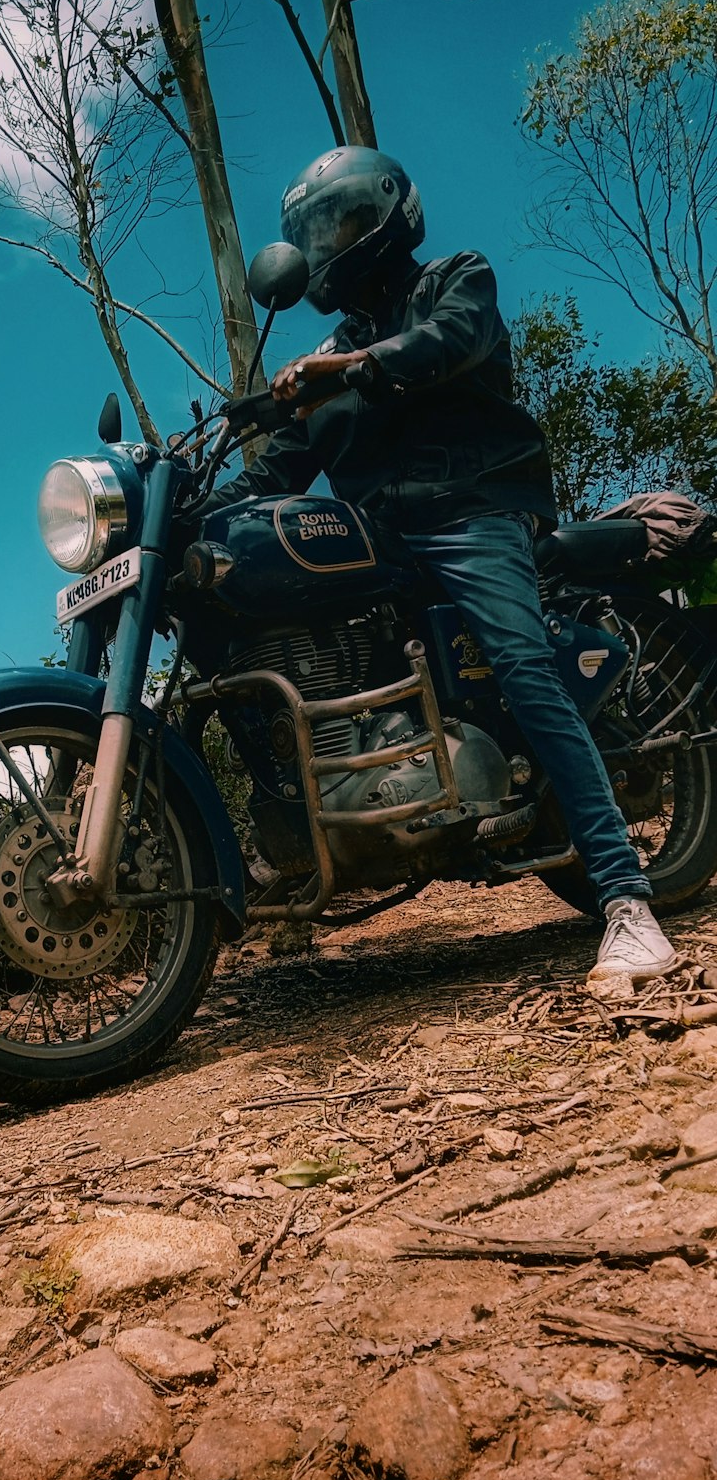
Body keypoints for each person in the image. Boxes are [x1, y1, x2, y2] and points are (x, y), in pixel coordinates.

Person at [211, 145, 678, 981]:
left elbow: (444, 345)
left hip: (473, 510)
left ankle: (624, 900)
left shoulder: (456, 280)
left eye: (342, 223)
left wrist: (347, 368)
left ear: (390, 217)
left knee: (523, 665)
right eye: (314, 234)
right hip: (382, 537)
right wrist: (176, 512)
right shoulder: (322, 361)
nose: (327, 246)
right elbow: (277, 471)